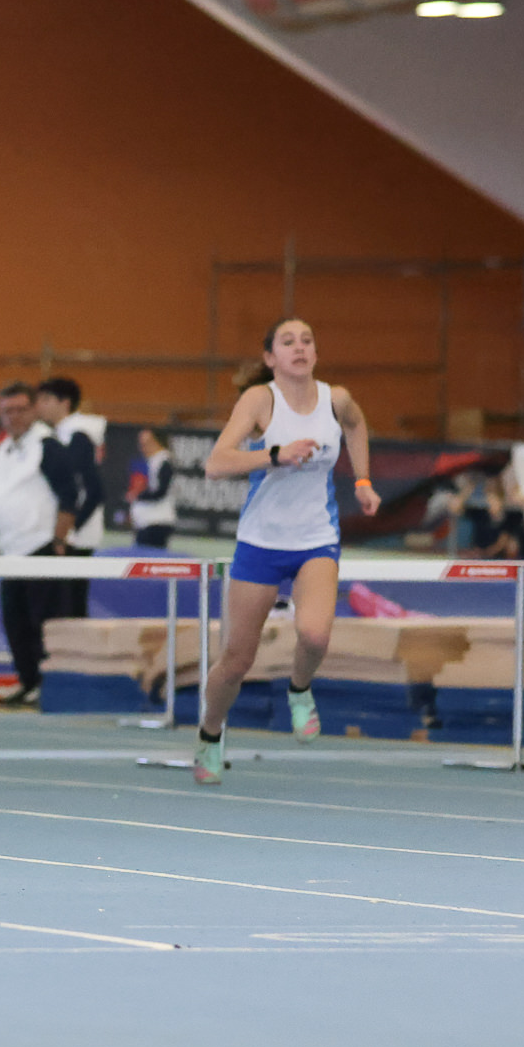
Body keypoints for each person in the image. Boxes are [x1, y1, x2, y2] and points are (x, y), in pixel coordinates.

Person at [184, 318, 380, 783]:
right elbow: (216, 464)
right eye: (288, 342)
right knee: (237, 660)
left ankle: (299, 688)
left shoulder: (336, 399)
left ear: (316, 353)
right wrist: (275, 455)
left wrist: (363, 480)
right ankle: (210, 735)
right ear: (271, 357)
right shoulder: (259, 400)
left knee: (314, 636)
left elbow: (357, 426)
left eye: (307, 340)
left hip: (316, 538)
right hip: (261, 542)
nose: (299, 348)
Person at [0, 379, 89, 707]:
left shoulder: (47, 446)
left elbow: (70, 495)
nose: (14, 416)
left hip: (41, 548)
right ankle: (27, 681)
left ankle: (50, 683)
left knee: (46, 622)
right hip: (9, 553)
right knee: (14, 622)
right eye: (7, 411)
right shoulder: (0, 454)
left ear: (33, 410)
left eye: (20, 409)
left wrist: (58, 541)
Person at [33, 376, 106, 615]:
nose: (39, 405)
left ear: (64, 403)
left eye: (46, 399)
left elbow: (94, 490)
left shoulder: (77, 435)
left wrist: (71, 529)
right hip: (73, 533)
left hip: (77, 538)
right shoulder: (60, 434)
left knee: (70, 608)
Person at [129, 422, 179, 548]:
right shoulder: (152, 461)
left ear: (157, 442)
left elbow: (161, 491)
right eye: (141, 444)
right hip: (146, 521)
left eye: (146, 443)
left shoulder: (164, 461)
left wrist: (138, 496)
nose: (143, 447)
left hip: (157, 522)